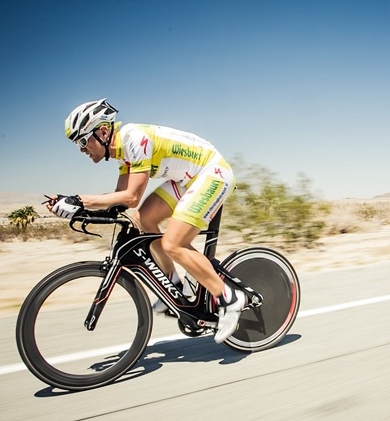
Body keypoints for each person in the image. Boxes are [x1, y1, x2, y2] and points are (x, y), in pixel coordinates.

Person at [45, 98, 243, 344]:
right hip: (188, 178)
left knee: (173, 244)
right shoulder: (122, 154)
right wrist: (75, 206)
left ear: (103, 132)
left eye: (83, 141)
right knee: (144, 218)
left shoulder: (134, 140)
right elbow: (121, 203)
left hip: (212, 173)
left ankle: (230, 298)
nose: (82, 149)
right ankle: (175, 287)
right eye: (78, 144)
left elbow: (131, 196)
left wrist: (80, 200)